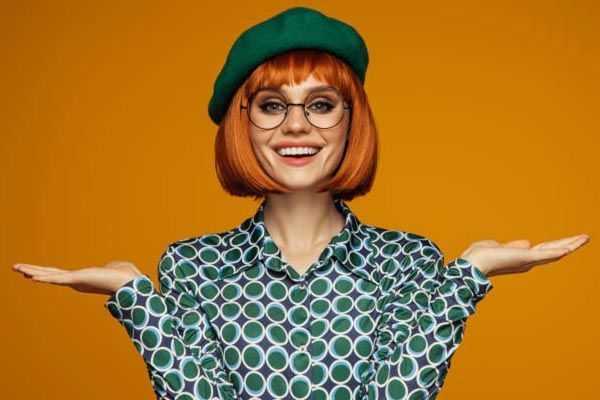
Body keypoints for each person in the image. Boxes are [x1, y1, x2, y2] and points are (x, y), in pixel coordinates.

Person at [12, 6, 589, 400]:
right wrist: (135, 295)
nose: (296, 127)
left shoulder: (409, 261)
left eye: (320, 104)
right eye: (270, 105)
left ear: (351, 120)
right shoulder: (191, 266)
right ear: (244, 124)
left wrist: (469, 273)